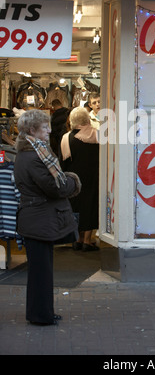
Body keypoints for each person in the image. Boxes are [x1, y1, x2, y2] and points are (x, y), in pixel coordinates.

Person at [14, 109, 81, 326]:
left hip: (37, 218)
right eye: (45, 127)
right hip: (39, 219)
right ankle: (41, 316)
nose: (49, 131)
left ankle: (42, 313)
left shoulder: (31, 152)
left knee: (40, 271)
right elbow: (55, 187)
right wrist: (73, 181)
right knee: (41, 272)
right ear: (32, 130)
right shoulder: (34, 156)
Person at [60, 106, 100, 251]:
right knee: (90, 206)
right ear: (87, 119)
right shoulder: (97, 135)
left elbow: (62, 162)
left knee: (76, 207)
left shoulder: (67, 138)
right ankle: (88, 241)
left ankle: (78, 238)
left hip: (74, 179)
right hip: (93, 177)